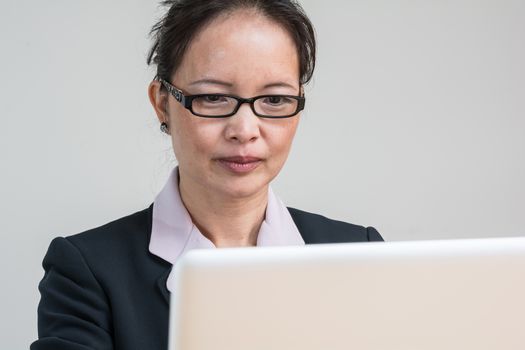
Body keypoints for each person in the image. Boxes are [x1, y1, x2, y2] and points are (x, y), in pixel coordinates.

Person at [31, 1, 383, 349]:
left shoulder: (359, 254)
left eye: (274, 100)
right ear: (162, 103)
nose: (244, 130)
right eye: (214, 97)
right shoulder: (87, 272)